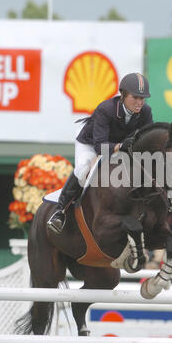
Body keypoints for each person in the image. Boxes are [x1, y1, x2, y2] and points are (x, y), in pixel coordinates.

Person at [47, 72, 153, 234]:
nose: (139, 102)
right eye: (135, 97)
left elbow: (147, 138)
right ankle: (59, 212)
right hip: (91, 143)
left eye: (142, 98)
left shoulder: (146, 111)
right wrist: (120, 146)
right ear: (123, 95)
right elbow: (100, 147)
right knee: (83, 167)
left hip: (122, 147)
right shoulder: (106, 109)